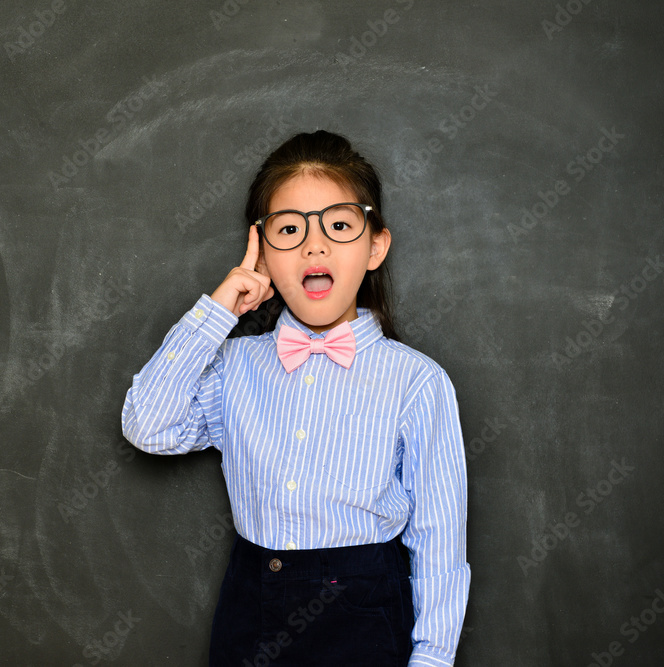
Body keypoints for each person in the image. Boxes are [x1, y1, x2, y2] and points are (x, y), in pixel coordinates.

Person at [121, 130, 469, 666]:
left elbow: (440, 543)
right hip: (252, 609)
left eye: (339, 225)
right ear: (261, 250)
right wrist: (218, 312)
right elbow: (148, 425)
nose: (314, 245)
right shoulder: (234, 366)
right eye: (289, 229)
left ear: (375, 246)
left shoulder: (415, 381)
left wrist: (432, 659)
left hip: (365, 617)